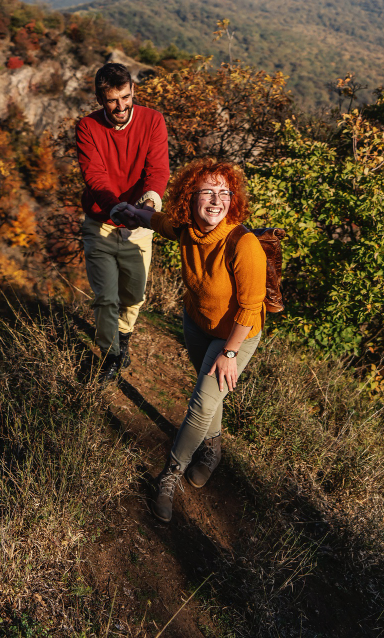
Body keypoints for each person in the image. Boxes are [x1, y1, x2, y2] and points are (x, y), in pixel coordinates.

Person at [121, 158, 266, 522]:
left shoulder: (243, 244)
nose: (216, 201)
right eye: (207, 192)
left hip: (237, 333)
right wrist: (131, 212)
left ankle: (171, 473)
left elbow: (251, 308)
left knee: (202, 403)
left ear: (233, 200)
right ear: (191, 197)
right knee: (207, 390)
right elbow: (159, 223)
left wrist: (230, 352)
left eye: (224, 193)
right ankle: (212, 447)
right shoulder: (188, 230)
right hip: (197, 322)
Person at [76, 63, 170, 382]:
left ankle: (124, 336)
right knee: (106, 297)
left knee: (134, 295)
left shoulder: (153, 121)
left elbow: (157, 170)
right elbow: (95, 175)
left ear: (133, 91)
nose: (121, 107)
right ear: (101, 98)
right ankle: (112, 354)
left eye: (126, 97)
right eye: (113, 100)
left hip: (140, 224)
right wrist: (116, 208)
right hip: (101, 222)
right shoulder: (87, 127)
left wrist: (148, 205)